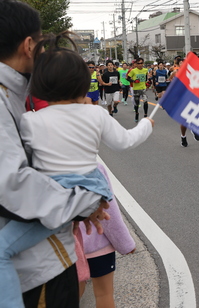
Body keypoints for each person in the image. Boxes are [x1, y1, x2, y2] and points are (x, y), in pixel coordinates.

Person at [2, 29, 153, 307]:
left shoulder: (31, 120)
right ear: (84, 82)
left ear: (41, 84)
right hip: (90, 192)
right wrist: (146, 125)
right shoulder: (95, 114)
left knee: (2, 251)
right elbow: (125, 142)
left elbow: (21, 161)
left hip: (54, 197)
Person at [0, 0, 110, 307]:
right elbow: (11, 184)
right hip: (32, 270)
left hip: (41, 258)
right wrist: (82, 203)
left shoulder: (18, 90)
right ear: (28, 45)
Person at [78, 164, 135, 308]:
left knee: (71, 297)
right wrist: (125, 244)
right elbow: (110, 213)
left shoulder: (49, 166)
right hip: (98, 245)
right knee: (104, 294)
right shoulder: (93, 167)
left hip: (70, 246)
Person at [127, 58, 150, 123]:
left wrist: (148, 82)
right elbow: (128, 78)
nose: (140, 65)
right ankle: (136, 113)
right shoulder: (133, 71)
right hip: (136, 89)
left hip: (143, 88)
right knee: (137, 103)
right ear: (136, 64)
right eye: (138, 63)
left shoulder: (145, 70)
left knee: (145, 101)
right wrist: (134, 81)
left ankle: (145, 115)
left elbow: (146, 78)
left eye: (141, 63)